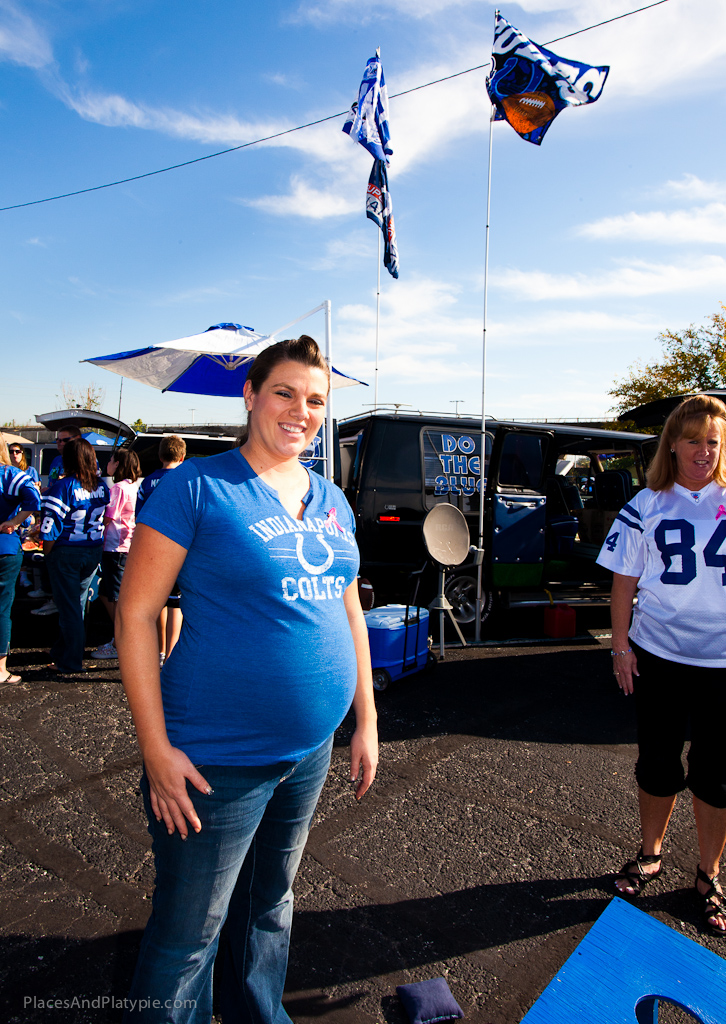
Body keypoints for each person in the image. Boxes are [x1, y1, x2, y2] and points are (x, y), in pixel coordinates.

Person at [116, 336, 378, 1023]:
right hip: (215, 759)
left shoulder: (332, 500)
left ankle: (261, 1015)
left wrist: (366, 721)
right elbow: (137, 615)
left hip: (309, 750)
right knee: (188, 937)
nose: (301, 410)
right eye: (285, 393)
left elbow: (349, 612)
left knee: (270, 905)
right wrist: (155, 751)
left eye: (316, 399)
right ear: (252, 396)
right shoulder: (194, 486)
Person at [597, 394, 726, 937]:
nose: (704, 451)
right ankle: (650, 855)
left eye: (713, 441)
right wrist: (620, 646)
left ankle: (709, 875)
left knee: (718, 774)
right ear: (672, 442)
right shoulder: (646, 503)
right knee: (657, 761)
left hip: (723, 663)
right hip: (660, 656)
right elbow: (623, 581)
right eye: (693, 439)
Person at [40, 437, 110, 678]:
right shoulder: (102, 485)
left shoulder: (63, 486)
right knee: (77, 606)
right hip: (93, 550)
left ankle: (69, 660)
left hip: (67, 552)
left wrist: (47, 553)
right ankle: (64, 653)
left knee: (69, 608)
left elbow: (50, 528)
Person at [135, 435, 186, 667]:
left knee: (160, 601)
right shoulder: (186, 480)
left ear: (159, 456)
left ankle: (159, 650)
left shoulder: (147, 482)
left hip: (153, 548)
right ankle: (172, 652)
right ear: (183, 457)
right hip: (180, 549)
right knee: (176, 603)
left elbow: (139, 517)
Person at [92, 449, 141, 660]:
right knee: (108, 592)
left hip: (115, 547)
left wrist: (92, 528)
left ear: (118, 464)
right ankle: (121, 634)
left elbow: (108, 517)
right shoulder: (133, 486)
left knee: (114, 595)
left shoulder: (118, 488)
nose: (107, 464)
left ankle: (120, 638)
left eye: (110, 460)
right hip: (126, 545)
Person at [0, 435, 41, 683]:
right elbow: (34, 500)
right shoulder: (11, 475)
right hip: (5, 547)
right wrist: (14, 522)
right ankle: (0, 668)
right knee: (2, 608)